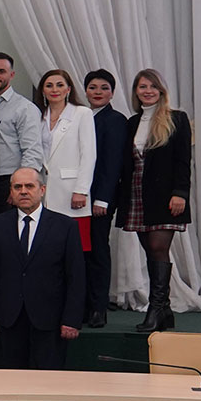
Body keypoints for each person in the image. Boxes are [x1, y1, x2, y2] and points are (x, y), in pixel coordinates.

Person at [0, 167, 86, 369]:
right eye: (17, 187)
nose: (23, 191)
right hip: (9, 318)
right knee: (11, 379)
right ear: (11, 192)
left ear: (42, 189)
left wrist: (72, 319)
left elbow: (76, 277)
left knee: (48, 380)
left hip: (50, 320)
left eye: (29, 186)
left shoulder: (65, 226)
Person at [117, 68, 192, 333]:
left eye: (152, 86)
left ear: (161, 91)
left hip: (166, 196)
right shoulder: (132, 122)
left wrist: (180, 193)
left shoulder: (176, 119)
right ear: (136, 92)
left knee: (159, 247)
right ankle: (165, 311)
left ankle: (155, 307)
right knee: (150, 250)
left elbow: (183, 160)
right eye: (142, 87)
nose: (147, 91)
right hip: (137, 195)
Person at [82, 68, 127, 328]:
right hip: (76, 198)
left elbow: (113, 164)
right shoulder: (79, 116)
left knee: (98, 251)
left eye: (104, 88)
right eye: (92, 87)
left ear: (112, 92)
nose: (97, 92)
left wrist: (103, 199)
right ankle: (82, 305)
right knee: (79, 253)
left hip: (99, 199)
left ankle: (99, 308)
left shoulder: (116, 120)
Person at [36, 68, 97, 254]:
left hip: (71, 191)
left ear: (68, 89)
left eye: (60, 85)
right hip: (44, 191)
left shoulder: (82, 113)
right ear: (43, 90)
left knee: (75, 249)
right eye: (49, 85)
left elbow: (89, 154)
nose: (54, 89)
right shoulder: (38, 116)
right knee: (48, 249)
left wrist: (81, 190)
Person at [0, 52, 44, 216]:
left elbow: (32, 150)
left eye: (1, 71)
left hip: (9, 180)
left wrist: (20, 184)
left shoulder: (25, 108)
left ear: (12, 74)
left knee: (7, 228)